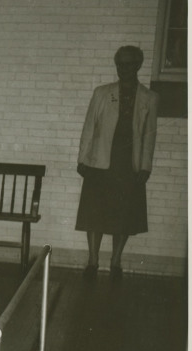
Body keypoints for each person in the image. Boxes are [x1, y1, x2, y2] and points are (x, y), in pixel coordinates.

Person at [76, 45, 158, 281]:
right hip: (100, 162)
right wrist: (82, 159)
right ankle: (93, 260)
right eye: (120, 64)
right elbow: (89, 128)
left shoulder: (149, 98)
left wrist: (145, 167)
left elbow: (149, 137)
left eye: (129, 64)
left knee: (124, 214)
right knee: (95, 213)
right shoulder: (102, 93)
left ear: (138, 65)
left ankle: (116, 261)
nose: (124, 69)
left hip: (128, 164)